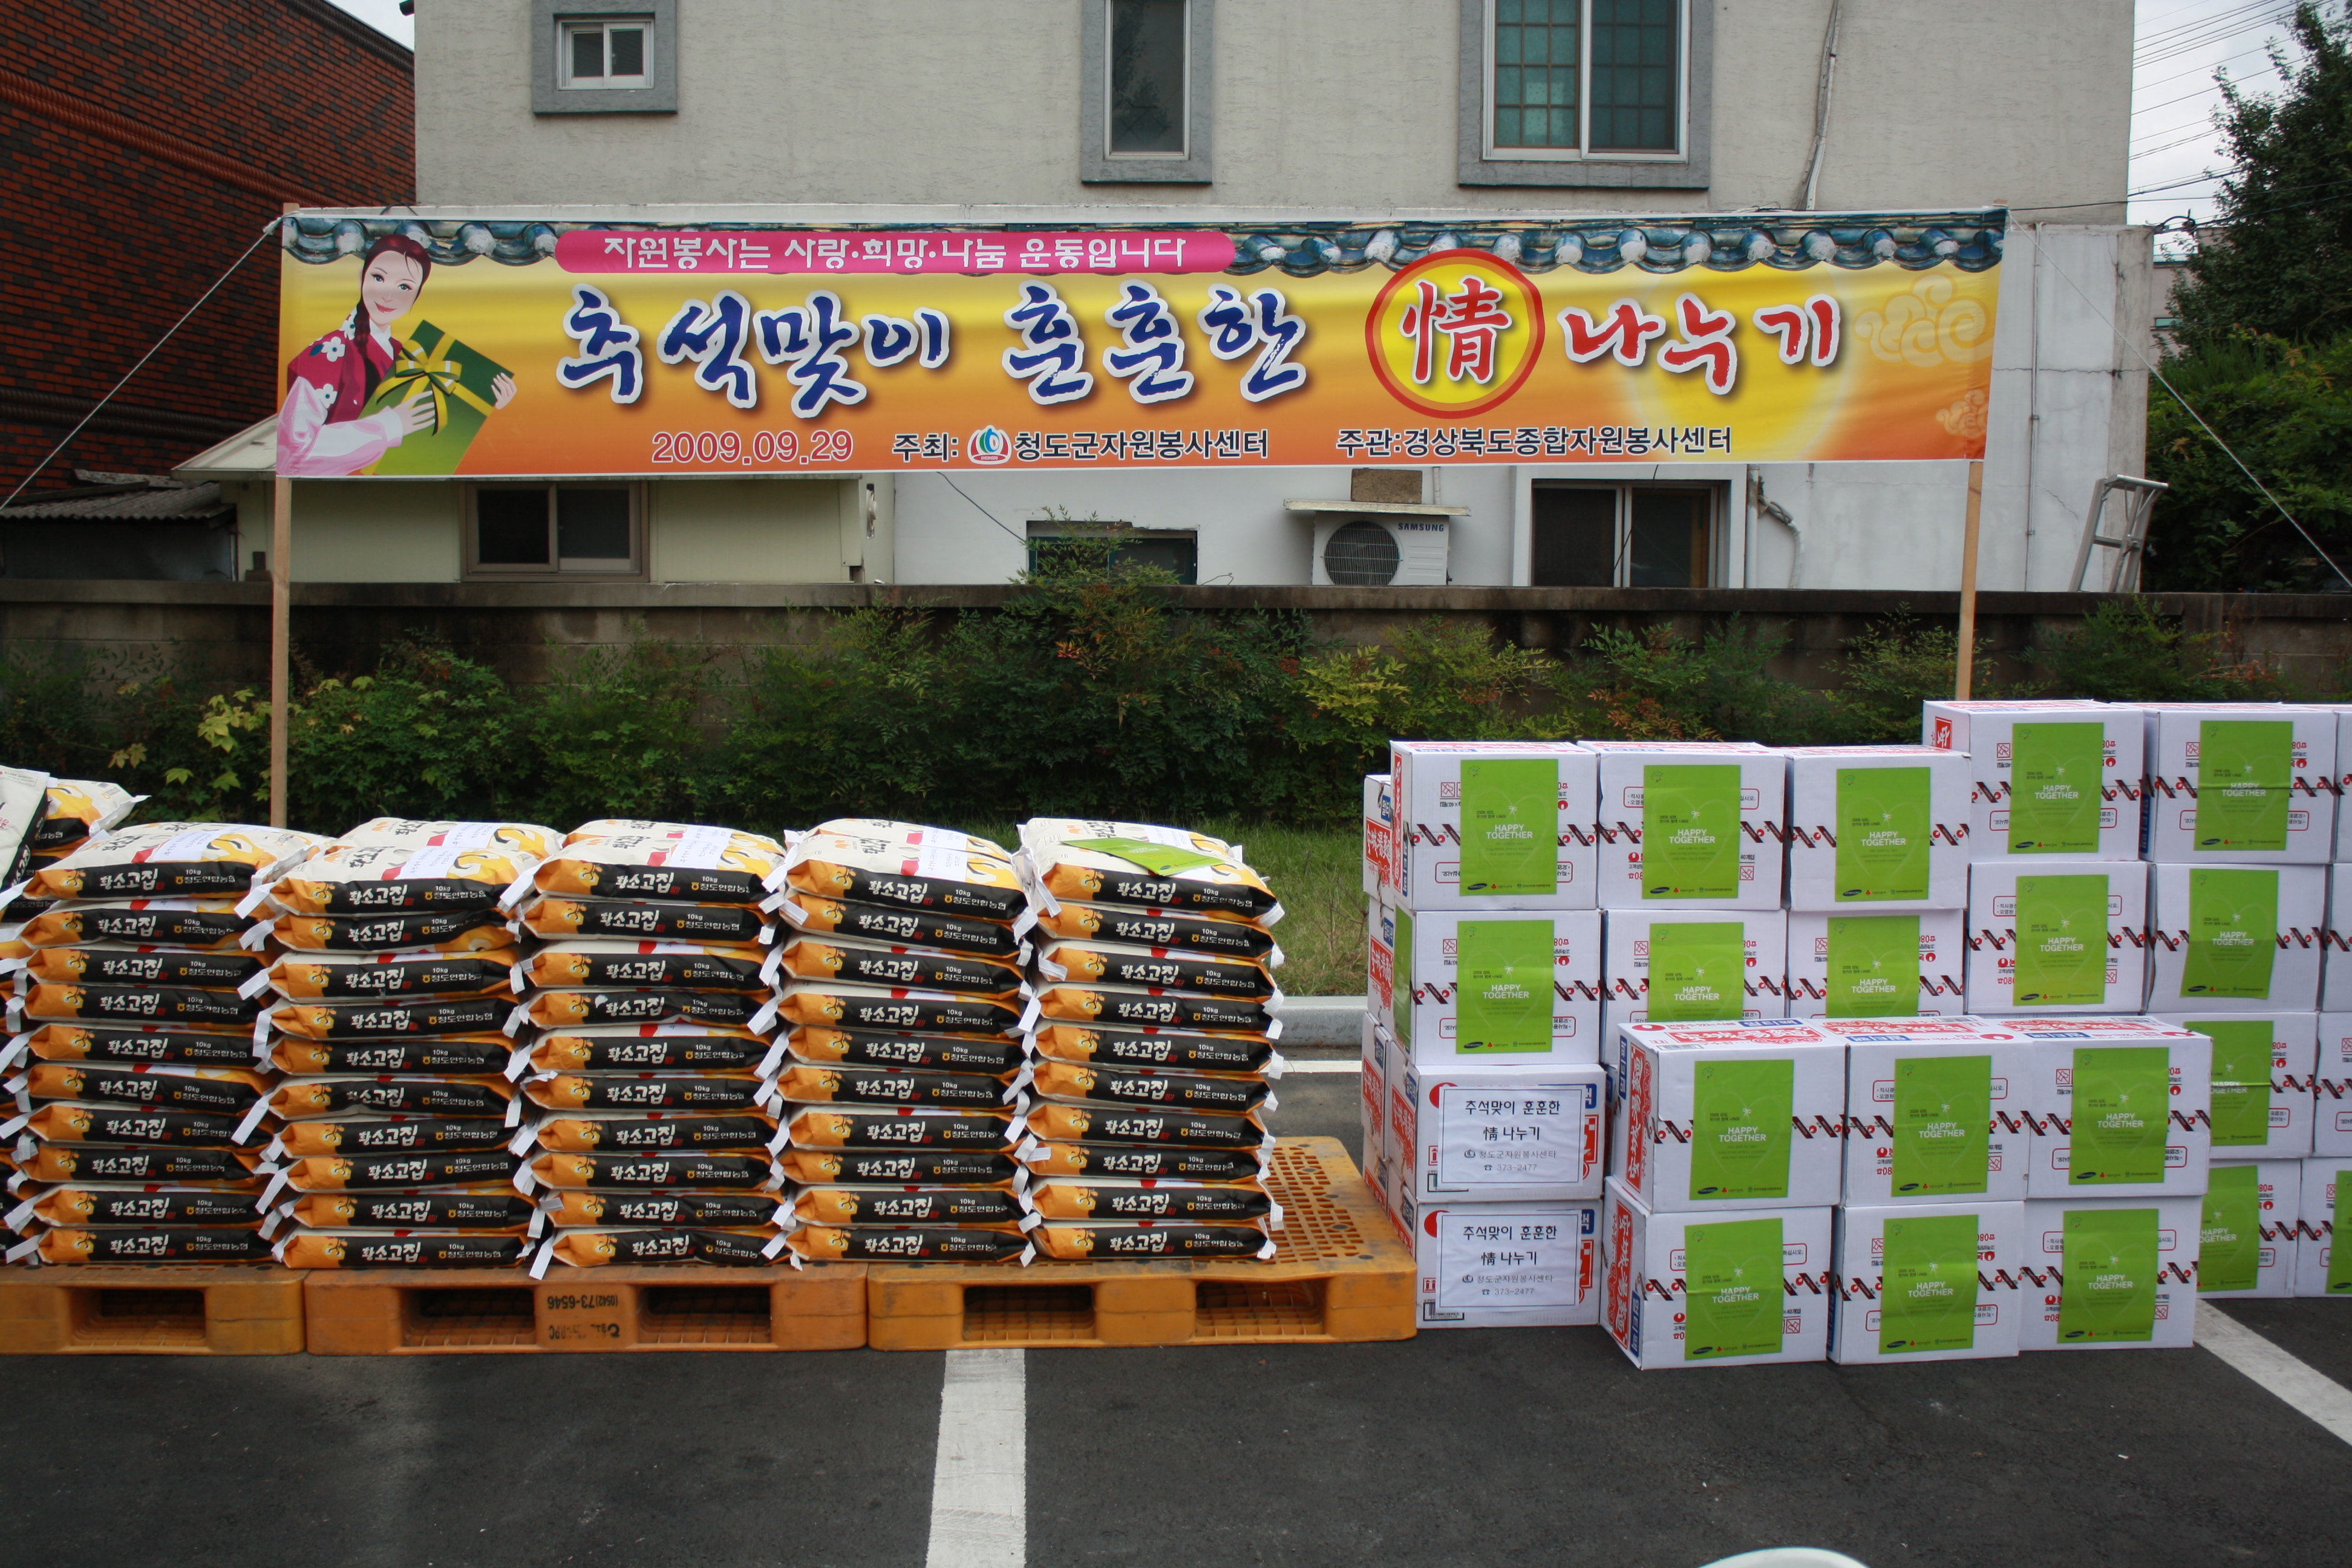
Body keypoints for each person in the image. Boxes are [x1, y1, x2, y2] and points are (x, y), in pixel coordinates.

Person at [276, 234, 517, 475]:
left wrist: (485, 403)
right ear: (361, 277)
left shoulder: (410, 356)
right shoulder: (328, 352)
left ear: (417, 295)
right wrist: (389, 426)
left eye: (405, 287)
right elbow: (294, 455)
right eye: (378, 278)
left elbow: (434, 441)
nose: (388, 295)